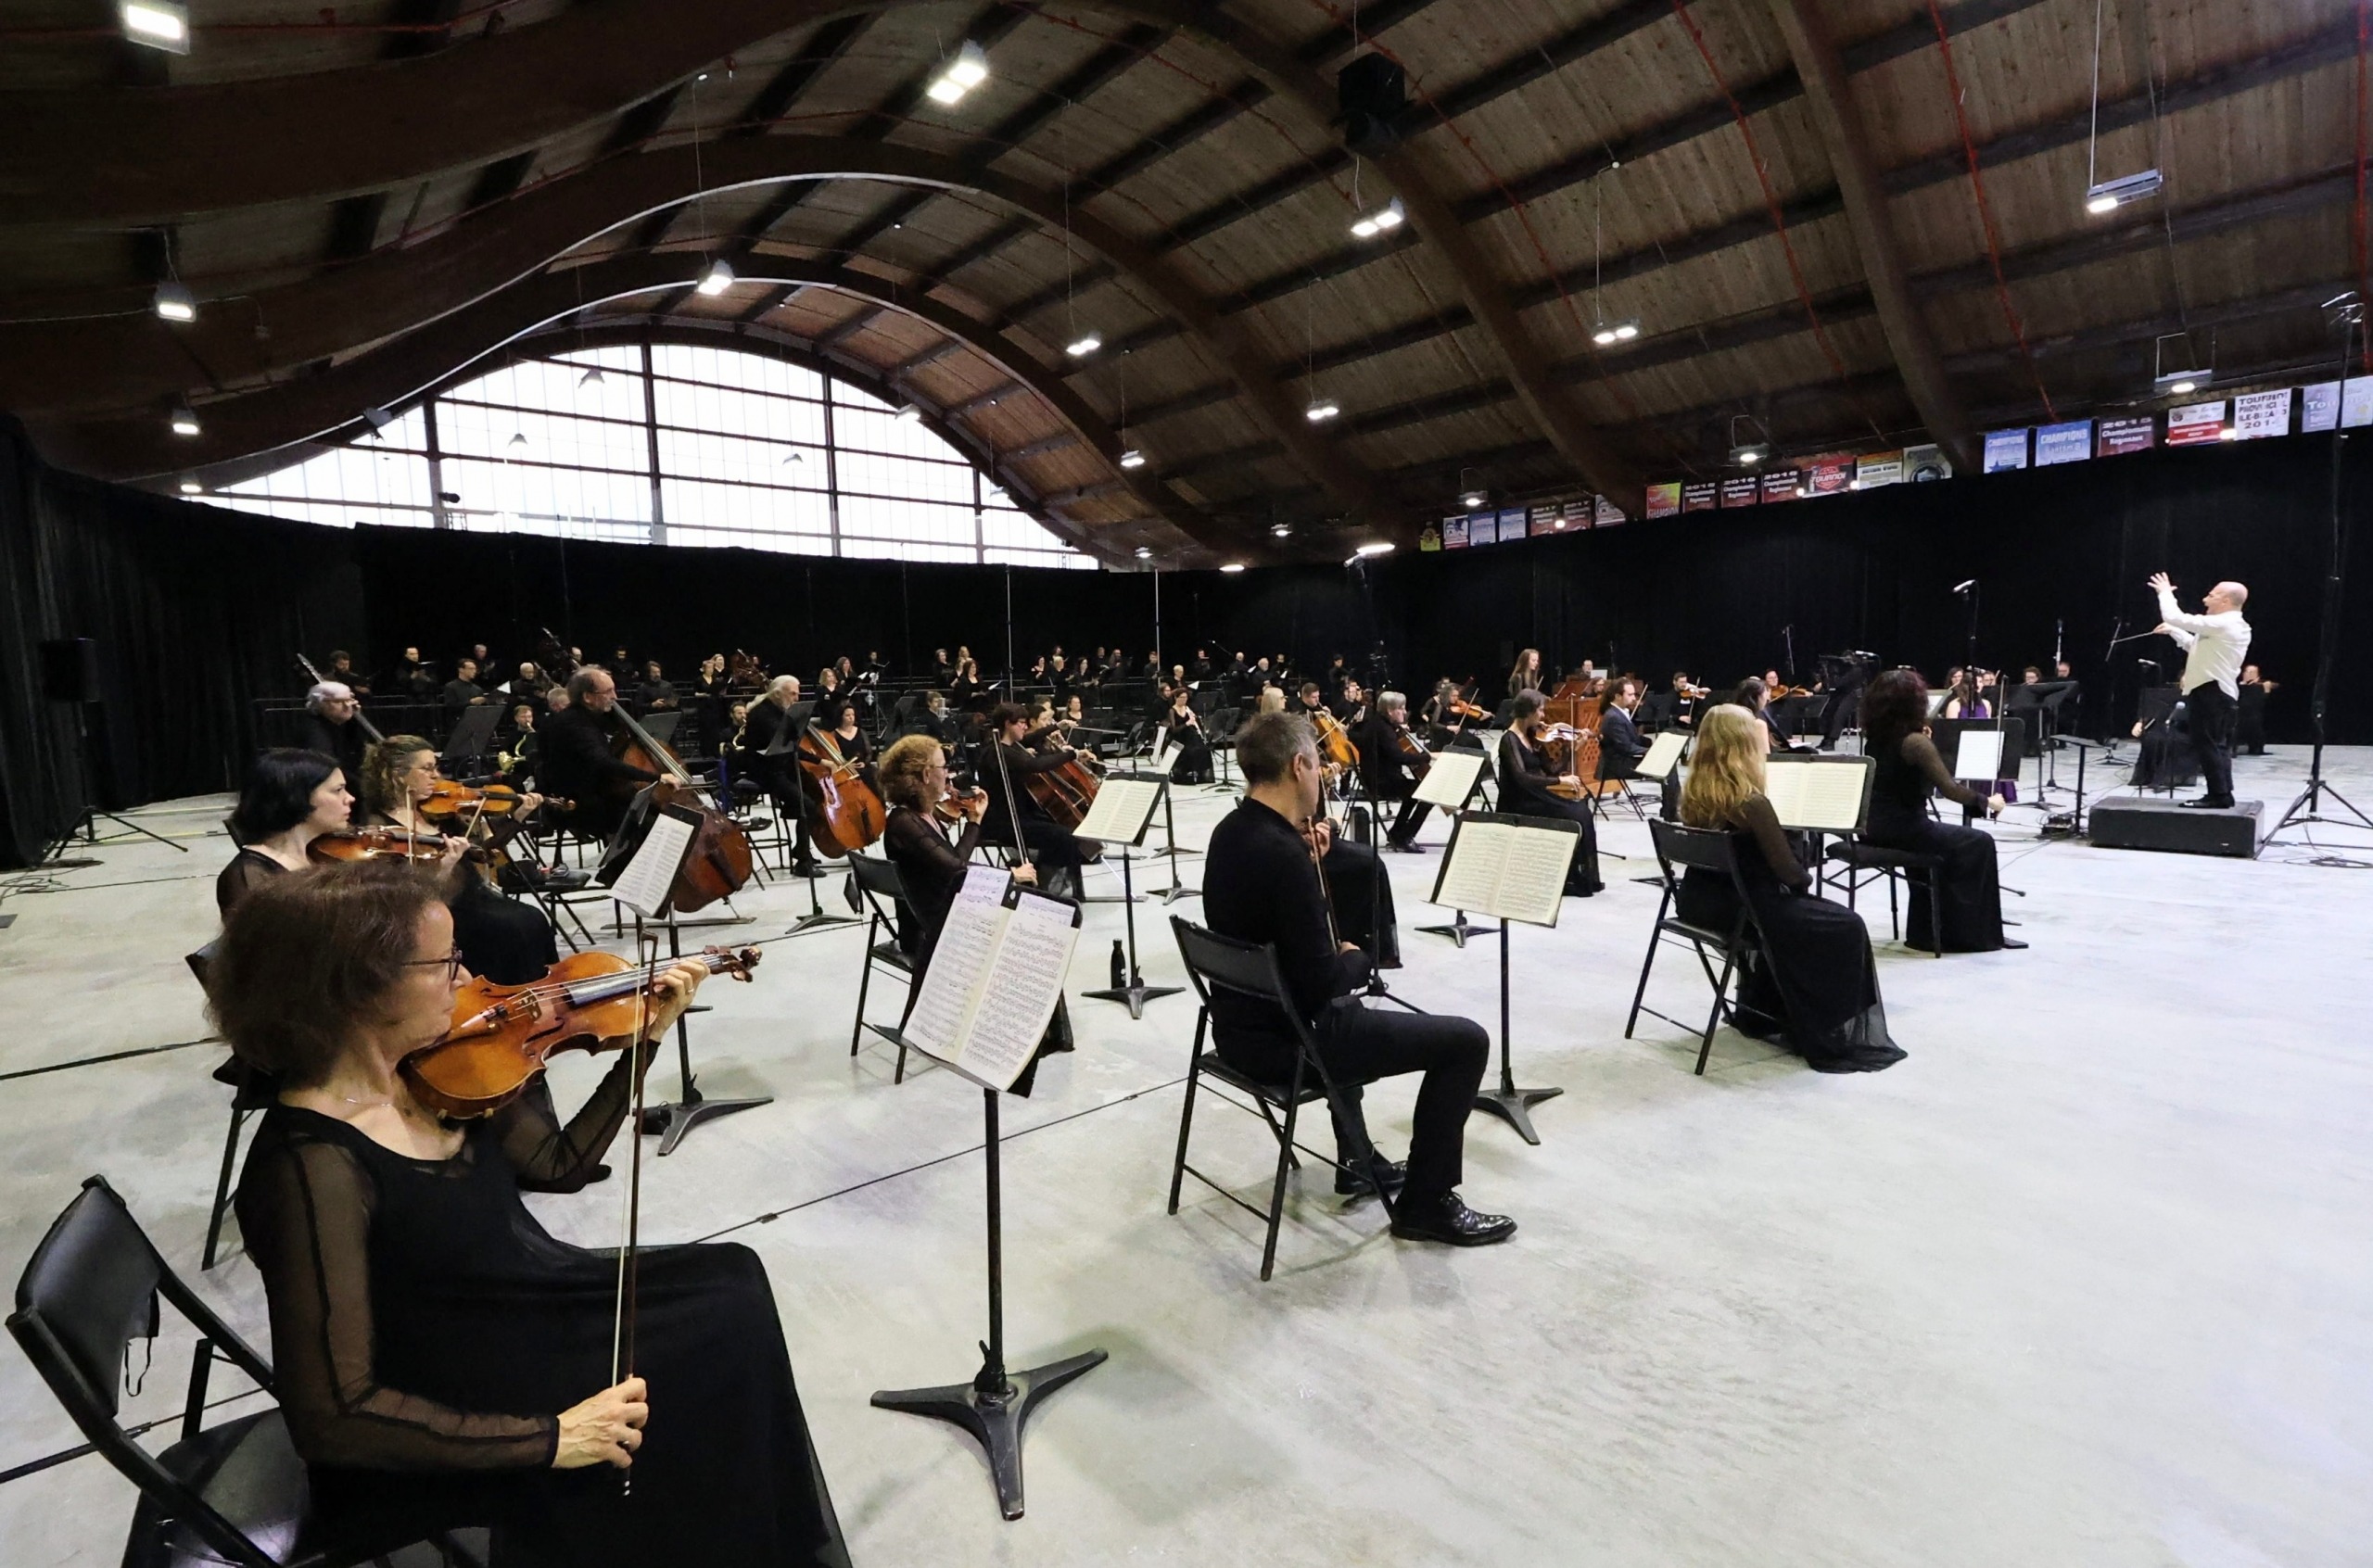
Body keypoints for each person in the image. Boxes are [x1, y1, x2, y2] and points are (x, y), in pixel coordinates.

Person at [213, 863, 846, 1565]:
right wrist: (556, 1437)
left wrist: (645, 1043)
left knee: (734, 1278)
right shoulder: (308, 1165)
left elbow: (558, 1165)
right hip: (451, 1408)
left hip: (508, 1309)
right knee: (711, 1345)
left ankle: (770, 1544)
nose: (465, 977)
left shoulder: (434, 1071)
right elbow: (336, 1417)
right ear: (360, 987)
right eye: (444, 962)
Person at [1201, 712, 1512, 1246]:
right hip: (1293, 1044)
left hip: (1237, 1030)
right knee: (1465, 1042)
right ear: (1298, 766)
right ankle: (1426, 1204)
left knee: (1352, 1014)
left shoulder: (1230, 832)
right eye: (1318, 763)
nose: (1323, 774)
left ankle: (1358, 1158)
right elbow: (1325, 982)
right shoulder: (1284, 857)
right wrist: (1359, 956)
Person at [1675, 706, 1904, 1072]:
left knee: (1812, 919)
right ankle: (1824, 1030)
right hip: (1748, 910)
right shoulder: (1752, 803)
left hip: (1699, 902)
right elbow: (1794, 877)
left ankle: (1766, 1011)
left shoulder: (1696, 793)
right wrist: (1796, 842)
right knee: (1847, 925)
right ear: (1743, 746)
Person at [875, 736, 1072, 1089]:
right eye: (943, 767)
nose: (949, 775)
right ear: (925, 775)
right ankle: (1034, 1036)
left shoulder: (921, 816)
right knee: (1034, 933)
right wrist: (1004, 867)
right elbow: (957, 870)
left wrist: (975, 825)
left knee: (1035, 918)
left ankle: (1040, 1033)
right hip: (938, 928)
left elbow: (953, 865)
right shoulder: (904, 822)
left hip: (946, 913)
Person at [357, 736, 559, 986]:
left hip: (475, 896)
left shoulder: (439, 811)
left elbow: (485, 851)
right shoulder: (381, 827)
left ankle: (543, 989)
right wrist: (444, 866)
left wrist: (517, 817)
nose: (436, 776)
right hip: (440, 906)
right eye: (427, 768)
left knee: (534, 919)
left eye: (435, 767)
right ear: (397, 775)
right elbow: (403, 891)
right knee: (509, 930)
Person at [1858, 669, 2021, 952]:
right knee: (1979, 842)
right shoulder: (1915, 743)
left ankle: (1927, 931)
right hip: (1905, 829)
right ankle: (1970, 934)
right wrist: (1987, 802)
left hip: (1872, 828)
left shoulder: (1874, 738)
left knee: (1946, 843)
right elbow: (1950, 789)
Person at [2151, 571, 2252, 807]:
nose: (2205, 599)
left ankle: (2219, 796)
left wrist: (2164, 593)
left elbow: (2175, 616)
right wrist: (2173, 631)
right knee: (2216, 745)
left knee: (2208, 744)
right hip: (2216, 693)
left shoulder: (2225, 623)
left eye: (2211, 595)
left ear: (2225, 601)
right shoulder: (2226, 626)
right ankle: (2223, 794)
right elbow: (2194, 646)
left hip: (2212, 693)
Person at [977, 702, 1097, 900]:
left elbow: (1030, 738)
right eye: (1021, 723)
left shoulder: (1010, 746)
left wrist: (1055, 727)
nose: (1025, 727)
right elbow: (1035, 765)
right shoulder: (998, 752)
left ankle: (1046, 883)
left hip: (1021, 814)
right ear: (1007, 724)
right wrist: (1071, 754)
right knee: (1063, 836)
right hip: (1003, 822)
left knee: (1064, 831)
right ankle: (1042, 891)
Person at [219, 749, 353, 915]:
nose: (349, 798)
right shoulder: (250, 874)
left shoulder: (323, 852)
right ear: (299, 796)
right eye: (338, 790)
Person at [1494, 690, 1603, 897]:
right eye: (1541, 710)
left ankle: (1580, 876)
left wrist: (1570, 748)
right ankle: (1570, 879)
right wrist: (1560, 781)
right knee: (1575, 814)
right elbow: (1522, 778)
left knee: (1582, 811)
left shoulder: (1532, 736)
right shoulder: (1509, 740)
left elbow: (1552, 769)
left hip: (1537, 796)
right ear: (1528, 712)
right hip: (1519, 802)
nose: (1544, 716)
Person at [537, 667, 658, 841]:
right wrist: (654, 777)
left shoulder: (586, 718)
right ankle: (625, 857)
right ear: (587, 697)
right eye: (608, 691)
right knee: (648, 823)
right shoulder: (574, 723)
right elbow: (603, 762)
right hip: (576, 804)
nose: (615, 696)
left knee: (646, 812)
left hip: (592, 794)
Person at [1356, 690, 1432, 852]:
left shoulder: (1377, 723)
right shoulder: (1383, 729)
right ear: (1390, 711)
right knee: (1428, 794)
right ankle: (1406, 836)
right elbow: (1398, 756)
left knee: (1413, 793)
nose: (1404, 712)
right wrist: (1426, 757)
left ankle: (1397, 834)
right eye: (1401, 708)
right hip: (1381, 782)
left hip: (1377, 778)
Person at [300, 680, 370, 785]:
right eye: (338, 702)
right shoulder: (314, 730)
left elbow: (359, 752)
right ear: (320, 704)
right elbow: (328, 769)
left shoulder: (344, 723)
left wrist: (357, 717)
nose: (347, 705)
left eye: (349, 700)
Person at [1161, 685, 1213, 783]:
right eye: (1181, 697)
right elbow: (1174, 730)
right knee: (1189, 752)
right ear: (1176, 698)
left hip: (1190, 737)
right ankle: (1185, 776)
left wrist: (1195, 721)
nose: (1184, 700)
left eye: (1185, 697)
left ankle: (1202, 776)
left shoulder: (1187, 708)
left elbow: (1195, 724)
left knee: (1204, 750)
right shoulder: (1172, 711)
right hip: (1178, 738)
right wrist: (1187, 723)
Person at [2237, 664, 2278, 755]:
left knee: (2256, 724)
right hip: (2239, 716)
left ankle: (2256, 747)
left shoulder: (2260, 687)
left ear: (2257, 676)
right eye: (2247, 672)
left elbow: (2262, 702)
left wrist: (2266, 690)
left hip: (2254, 717)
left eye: (2252, 672)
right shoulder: (2238, 686)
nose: (2249, 674)